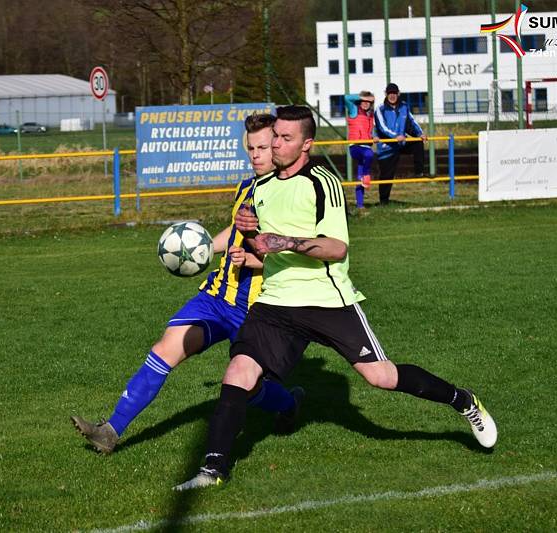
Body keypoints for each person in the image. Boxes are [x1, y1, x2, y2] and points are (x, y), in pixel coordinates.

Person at [174, 105, 497, 491]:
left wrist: (282, 242)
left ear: (307, 144)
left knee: (380, 376)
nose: (275, 145)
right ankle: (213, 470)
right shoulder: (259, 187)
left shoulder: (322, 182)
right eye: (274, 136)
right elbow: (260, 247)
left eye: (285, 139)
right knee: (238, 373)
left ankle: (463, 401)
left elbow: (337, 248)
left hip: (327, 300)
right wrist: (235, 244)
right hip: (275, 301)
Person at [70, 113, 303, 454]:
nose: (255, 154)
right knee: (165, 349)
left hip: (256, 307)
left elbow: (295, 251)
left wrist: (254, 260)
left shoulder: (289, 195)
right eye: (250, 147)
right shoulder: (246, 186)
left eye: (263, 147)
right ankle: (110, 431)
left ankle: (288, 405)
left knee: (248, 387)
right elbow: (236, 233)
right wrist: (204, 246)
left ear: (279, 145)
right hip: (217, 296)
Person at [373, 83, 427, 205]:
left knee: (417, 143)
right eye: (390, 93)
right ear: (386, 94)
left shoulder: (404, 107)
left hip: (401, 143)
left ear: (398, 94)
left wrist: (420, 134)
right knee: (386, 176)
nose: (392, 96)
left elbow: (411, 122)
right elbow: (382, 128)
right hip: (387, 147)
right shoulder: (380, 109)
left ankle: (419, 172)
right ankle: (383, 202)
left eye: (394, 93)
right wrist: (395, 136)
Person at [344, 90, 378, 209]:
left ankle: (360, 205)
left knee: (360, 179)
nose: (366, 104)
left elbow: (370, 131)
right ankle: (366, 174)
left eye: (369, 102)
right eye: (364, 101)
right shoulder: (354, 110)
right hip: (356, 147)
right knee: (369, 154)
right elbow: (347, 98)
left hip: (366, 145)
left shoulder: (371, 115)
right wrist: (363, 96)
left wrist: (374, 137)